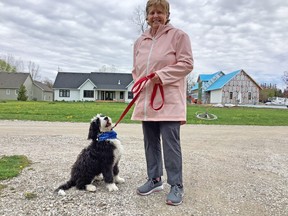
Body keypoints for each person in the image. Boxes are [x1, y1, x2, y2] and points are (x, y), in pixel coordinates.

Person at [131, 0, 194, 206]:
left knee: (170, 144)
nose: (155, 16)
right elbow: (136, 70)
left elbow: (186, 64)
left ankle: (176, 185)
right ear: (146, 16)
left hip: (169, 100)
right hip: (147, 101)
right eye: (151, 12)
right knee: (150, 142)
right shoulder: (140, 41)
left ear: (167, 14)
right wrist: (139, 85)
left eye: (160, 12)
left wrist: (162, 75)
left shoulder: (179, 36)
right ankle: (154, 179)